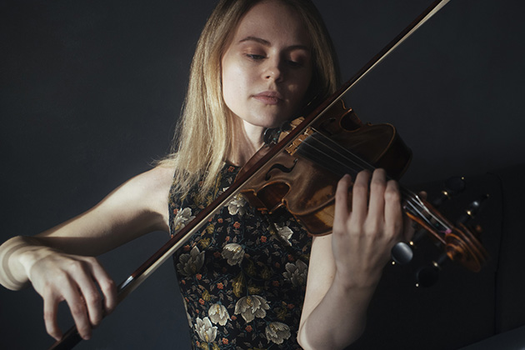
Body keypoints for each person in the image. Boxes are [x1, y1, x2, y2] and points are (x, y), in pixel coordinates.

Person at [0, 0, 410, 349]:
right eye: (255, 53)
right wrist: (36, 259)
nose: (275, 72)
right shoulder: (170, 188)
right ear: (215, 60)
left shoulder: (325, 183)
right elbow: (8, 261)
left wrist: (356, 281)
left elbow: (316, 341)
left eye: (296, 60)